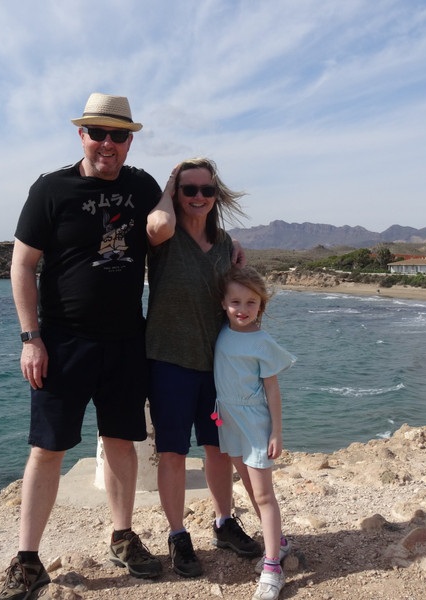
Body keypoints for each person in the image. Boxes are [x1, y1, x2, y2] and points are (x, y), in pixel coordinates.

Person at [0, 93, 175, 600]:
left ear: (130, 141)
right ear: (82, 135)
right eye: (98, 132)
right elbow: (23, 265)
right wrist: (30, 338)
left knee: (124, 441)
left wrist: (226, 247)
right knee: (46, 450)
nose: (108, 144)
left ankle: (122, 535)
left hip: (124, 341)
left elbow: (175, 219)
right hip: (62, 341)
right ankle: (28, 559)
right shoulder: (51, 189)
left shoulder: (140, 186)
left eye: (119, 135)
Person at [145, 157, 259, 579]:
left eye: (206, 190)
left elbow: (241, 297)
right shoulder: (165, 236)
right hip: (169, 361)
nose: (197, 197)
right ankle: (177, 535)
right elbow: (156, 226)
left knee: (220, 449)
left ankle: (224, 524)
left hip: (218, 367)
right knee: (173, 453)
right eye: (188, 189)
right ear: (176, 194)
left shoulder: (227, 244)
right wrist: (168, 182)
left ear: (216, 195)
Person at [213, 266, 296, 600]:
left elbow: (272, 390)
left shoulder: (262, 341)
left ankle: (273, 565)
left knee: (264, 496)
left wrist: (276, 432)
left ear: (261, 306)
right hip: (228, 421)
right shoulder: (220, 331)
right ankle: (281, 542)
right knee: (248, 488)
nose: (242, 309)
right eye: (236, 301)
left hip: (255, 424)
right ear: (223, 303)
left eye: (251, 302)